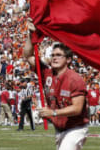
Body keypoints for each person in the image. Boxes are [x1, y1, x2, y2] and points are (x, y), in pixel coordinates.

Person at [23, 19, 88, 150]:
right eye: (53, 55)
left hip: (75, 128)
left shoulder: (75, 79)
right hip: (60, 127)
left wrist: (52, 113)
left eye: (59, 55)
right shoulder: (46, 73)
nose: (54, 57)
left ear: (68, 60)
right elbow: (28, 56)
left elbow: (77, 109)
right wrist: (31, 35)